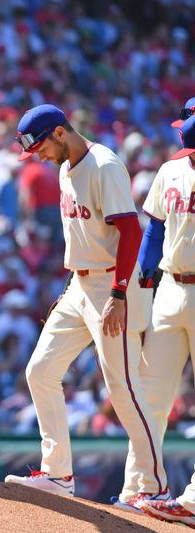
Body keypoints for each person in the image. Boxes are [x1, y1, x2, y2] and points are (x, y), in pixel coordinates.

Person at [3, 104, 165, 500]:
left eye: (40, 145)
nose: (37, 155)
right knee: (40, 371)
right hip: (81, 284)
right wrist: (75, 283)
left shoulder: (105, 165)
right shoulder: (64, 168)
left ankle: (155, 487)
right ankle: (58, 474)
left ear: (61, 133)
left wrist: (118, 293)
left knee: (123, 389)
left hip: (114, 285)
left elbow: (130, 232)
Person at [131, 114, 195, 525]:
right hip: (171, 287)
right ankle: (139, 488)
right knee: (150, 392)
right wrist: (144, 271)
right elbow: (154, 227)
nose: (181, 132)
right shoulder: (171, 169)